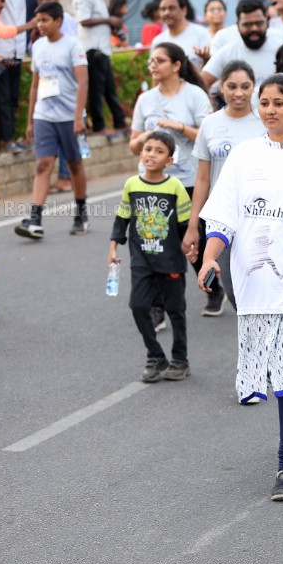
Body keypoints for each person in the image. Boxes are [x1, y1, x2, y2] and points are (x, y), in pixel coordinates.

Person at [199, 73, 283, 500]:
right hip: (255, 282)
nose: (270, 110)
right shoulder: (243, 155)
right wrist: (210, 255)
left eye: (279, 103)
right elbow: (224, 217)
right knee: (277, 371)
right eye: (265, 102)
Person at [130, 42, 218, 317]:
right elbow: (134, 144)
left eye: (159, 60)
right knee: (155, 241)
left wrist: (178, 127)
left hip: (191, 179)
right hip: (154, 183)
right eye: (151, 61)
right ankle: (157, 305)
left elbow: (209, 135)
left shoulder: (194, 94)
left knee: (193, 239)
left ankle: (214, 289)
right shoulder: (146, 99)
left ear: (176, 65)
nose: (152, 65)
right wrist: (148, 137)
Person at [108, 131, 193, 382]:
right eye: (147, 149)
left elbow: (186, 225)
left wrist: (191, 247)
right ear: (140, 153)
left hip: (170, 260)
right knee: (138, 305)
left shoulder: (175, 186)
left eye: (159, 151)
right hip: (141, 258)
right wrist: (113, 247)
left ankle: (180, 359)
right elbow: (122, 217)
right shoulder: (132, 184)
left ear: (169, 160)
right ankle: (155, 355)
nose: (151, 154)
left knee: (175, 309)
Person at [189, 59, 264, 315]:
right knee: (233, 289)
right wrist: (193, 226)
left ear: (254, 87)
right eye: (232, 86)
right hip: (223, 219)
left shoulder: (264, 121)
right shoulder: (210, 124)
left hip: (260, 216)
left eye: (245, 86)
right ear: (222, 88)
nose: (239, 93)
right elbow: (202, 178)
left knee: (260, 285)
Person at [14, 1, 90, 240]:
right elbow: (35, 85)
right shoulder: (37, 46)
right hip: (44, 114)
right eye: (38, 20)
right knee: (43, 163)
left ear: (58, 21)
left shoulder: (73, 45)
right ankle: (35, 218)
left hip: (70, 116)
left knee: (74, 164)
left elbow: (83, 81)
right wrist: (30, 122)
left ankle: (81, 213)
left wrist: (79, 116)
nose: (40, 24)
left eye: (45, 20)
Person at [202, 0, 283, 94]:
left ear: (267, 23)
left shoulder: (282, 49)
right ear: (237, 26)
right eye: (247, 25)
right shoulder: (226, 53)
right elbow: (202, 83)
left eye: (259, 23)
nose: (254, 28)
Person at [75, 0, 127, 137]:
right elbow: (84, 21)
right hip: (93, 50)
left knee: (110, 89)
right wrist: (109, 20)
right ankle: (98, 126)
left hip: (103, 49)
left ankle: (120, 123)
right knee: (96, 91)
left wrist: (112, 25)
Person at [0, 0, 32, 153]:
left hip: (18, 50)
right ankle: (6, 140)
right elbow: (3, 31)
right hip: (0, 50)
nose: (2, 4)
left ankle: (12, 139)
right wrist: (31, 25)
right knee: (3, 99)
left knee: (13, 98)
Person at [153, 0, 212, 69]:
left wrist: (205, 60)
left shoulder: (201, 34)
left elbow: (210, 68)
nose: (166, 13)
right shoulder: (158, 41)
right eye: (163, 9)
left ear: (184, 10)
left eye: (171, 8)